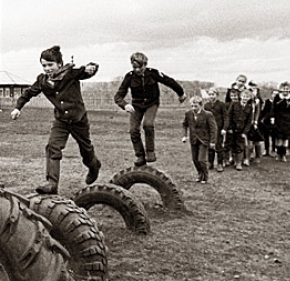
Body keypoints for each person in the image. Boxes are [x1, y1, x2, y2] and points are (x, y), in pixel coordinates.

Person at [10, 46, 102, 194]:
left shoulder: (70, 74)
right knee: (52, 147)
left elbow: (85, 72)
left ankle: (94, 166)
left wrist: (92, 68)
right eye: (44, 65)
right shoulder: (42, 81)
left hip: (79, 120)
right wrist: (17, 108)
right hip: (61, 121)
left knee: (86, 150)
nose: (47, 68)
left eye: (50, 65)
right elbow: (28, 93)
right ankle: (52, 183)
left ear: (59, 64)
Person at [113, 52, 187, 167]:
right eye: (135, 67)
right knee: (133, 130)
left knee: (148, 124)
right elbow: (118, 96)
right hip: (136, 106)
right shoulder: (129, 76)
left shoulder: (153, 73)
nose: (138, 70)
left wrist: (181, 93)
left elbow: (169, 81)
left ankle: (150, 152)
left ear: (145, 65)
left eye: (140, 67)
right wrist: (125, 105)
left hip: (151, 104)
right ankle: (140, 155)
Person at [181, 96, 217, 183]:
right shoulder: (188, 114)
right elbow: (185, 125)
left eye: (195, 106)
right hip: (193, 139)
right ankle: (200, 173)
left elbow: (213, 128)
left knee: (201, 159)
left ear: (200, 105)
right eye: (192, 106)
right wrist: (185, 135)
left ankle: (205, 176)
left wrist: (212, 141)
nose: (193, 108)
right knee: (195, 159)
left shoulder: (208, 115)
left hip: (204, 140)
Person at [225, 87, 252, 171]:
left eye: (247, 97)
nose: (245, 98)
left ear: (249, 98)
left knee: (240, 146)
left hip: (241, 131)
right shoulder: (234, 104)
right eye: (244, 96)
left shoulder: (249, 107)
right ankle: (226, 160)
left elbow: (249, 121)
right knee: (229, 144)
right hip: (232, 129)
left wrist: (245, 132)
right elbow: (228, 116)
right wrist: (228, 127)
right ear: (241, 96)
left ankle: (239, 163)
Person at [270, 81, 290, 162]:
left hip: (288, 120)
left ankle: (283, 155)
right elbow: (273, 108)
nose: (285, 90)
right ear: (280, 89)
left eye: (287, 89)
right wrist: (272, 117)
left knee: (285, 139)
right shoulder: (277, 97)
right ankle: (279, 154)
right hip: (279, 120)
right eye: (283, 89)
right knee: (279, 138)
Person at [203, 87, 227, 172]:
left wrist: (224, 128)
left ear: (217, 95)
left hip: (219, 129)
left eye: (213, 94)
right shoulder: (206, 105)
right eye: (210, 94)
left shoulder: (221, 105)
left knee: (219, 146)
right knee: (210, 146)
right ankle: (210, 162)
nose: (211, 96)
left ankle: (220, 163)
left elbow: (225, 117)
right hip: (210, 129)